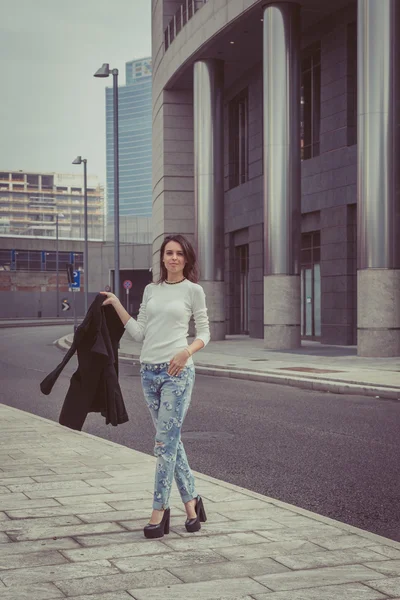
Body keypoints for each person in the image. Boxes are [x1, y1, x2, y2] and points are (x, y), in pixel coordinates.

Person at [100, 234, 210, 539]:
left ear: (186, 259)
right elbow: (139, 333)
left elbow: (204, 332)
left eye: (179, 254)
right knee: (170, 442)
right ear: (162, 258)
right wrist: (118, 305)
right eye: (168, 253)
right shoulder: (150, 290)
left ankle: (159, 512)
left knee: (163, 445)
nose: (173, 258)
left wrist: (186, 351)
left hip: (178, 372)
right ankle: (192, 504)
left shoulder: (193, 291)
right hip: (148, 373)